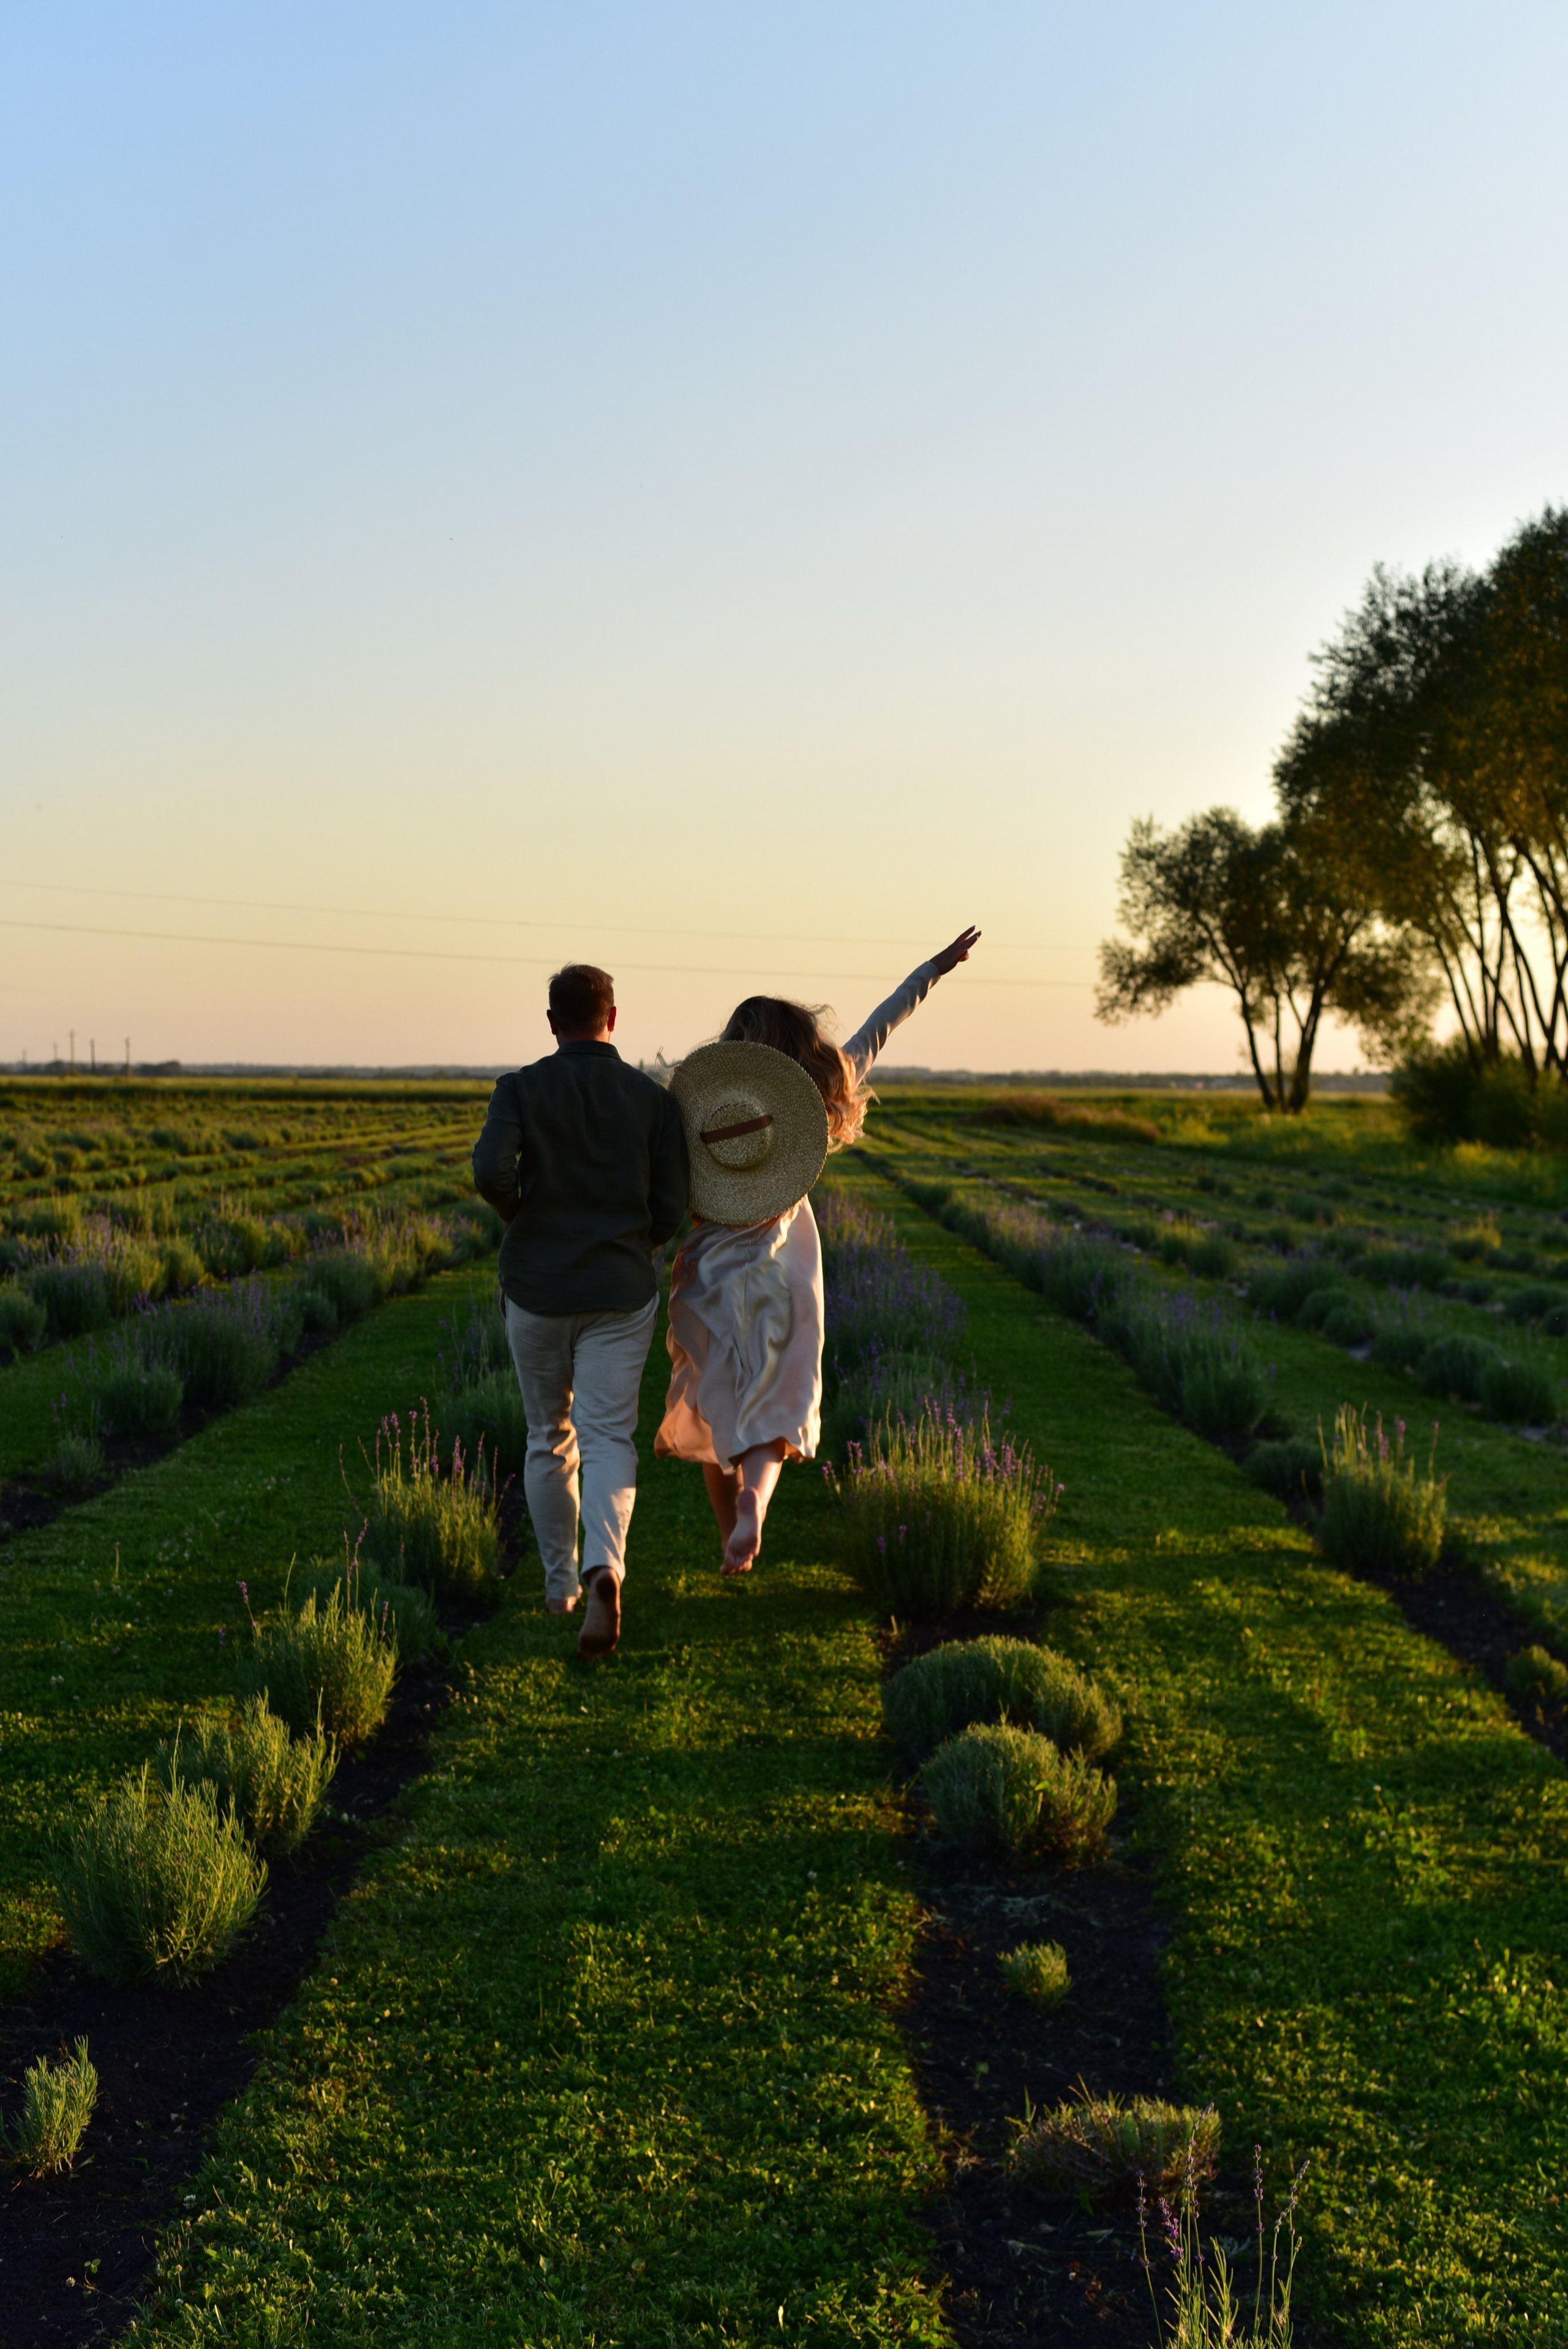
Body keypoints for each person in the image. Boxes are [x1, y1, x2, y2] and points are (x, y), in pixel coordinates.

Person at [655, 926, 980, 1574]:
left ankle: (731, 1537)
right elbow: (880, 1027)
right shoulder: (812, 1101)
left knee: (718, 1407)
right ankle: (755, 1503)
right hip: (783, 1264)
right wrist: (931, 970)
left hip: (711, 1268)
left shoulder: (703, 1112)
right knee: (777, 1402)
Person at [472, 962, 688, 1659]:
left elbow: (489, 1171)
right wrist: (636, 1244)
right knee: (608, 1438)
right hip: (619, 1290)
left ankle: (560, 1585)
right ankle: (606, 1570)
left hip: (537, 1286)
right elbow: (672, 1205)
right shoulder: (652, 1101)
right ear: (612, 1018)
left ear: (551, 1022)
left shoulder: (520, 1088)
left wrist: (520, 1218)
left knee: (548, 1436)